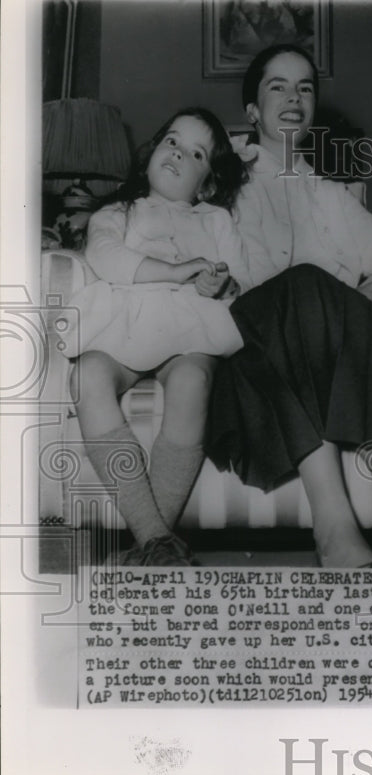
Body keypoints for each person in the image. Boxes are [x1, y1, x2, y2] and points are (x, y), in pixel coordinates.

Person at [206, 44, 372, 569]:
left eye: (305, 87)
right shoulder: (221, 183)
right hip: (256, 380)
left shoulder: (329, 193)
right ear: (252, 111)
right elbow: (231, 289)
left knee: (322, 293)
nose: (294, 96)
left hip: (339, 369)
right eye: (277, 86)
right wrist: (349, 298)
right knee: (306, 284)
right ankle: (335, 524)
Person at [64, 107, 250, 566]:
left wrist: (218, 283)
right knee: (87, 376)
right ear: (150, 153)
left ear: (206, 183)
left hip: (189, 325)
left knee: (193, 381)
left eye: (196, 152)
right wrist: (172, 270)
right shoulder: (117, 211)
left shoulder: (216, 220)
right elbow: (104, 257)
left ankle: (151, 543)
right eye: (171, 140)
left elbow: (239, 278)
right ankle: (156, 541)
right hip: (124, 318)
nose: (178, 153)